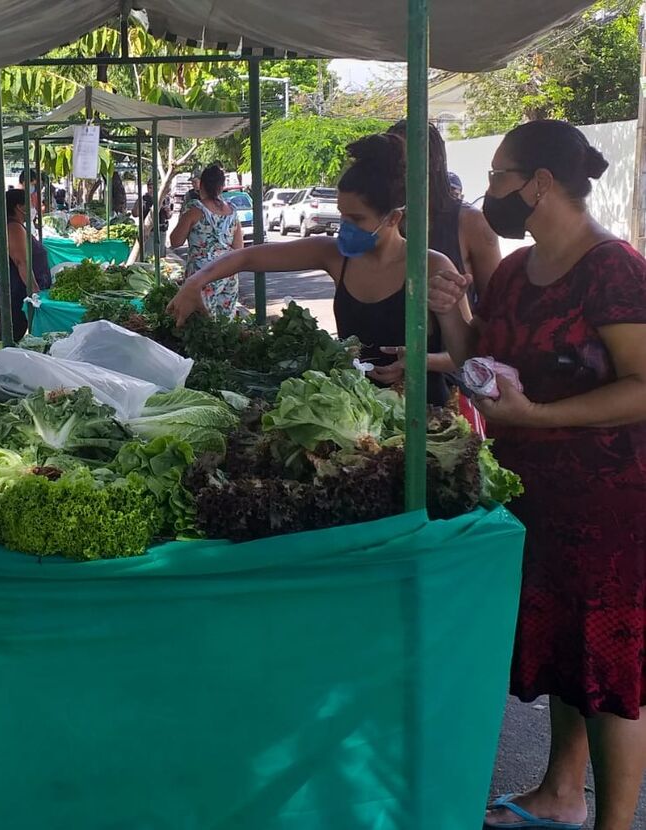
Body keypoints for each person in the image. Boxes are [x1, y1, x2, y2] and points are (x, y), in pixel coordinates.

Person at [429, 120, 646, 830]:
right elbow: (483, 363)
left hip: (613, 501)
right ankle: (559, 794)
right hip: (535, 491)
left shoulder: (613, 268)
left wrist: (541, 418)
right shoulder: (519, 272)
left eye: (497, 177)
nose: (488, 193)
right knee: (564, 651)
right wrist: (452, 313)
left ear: (539, 186)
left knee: (612, 673)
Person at [167, 134, 461, 405]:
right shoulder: (333, 254)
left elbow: (465, 356)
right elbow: (247, 258)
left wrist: (423, 361)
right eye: (343, 215)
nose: (345, 227)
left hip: (422, 416)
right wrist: (196, 281)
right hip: (354, 410)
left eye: (356, 219)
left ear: (394, 217)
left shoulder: (433, 266)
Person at [388, 121, 501, 297]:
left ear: (435, 163)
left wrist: (455, 307)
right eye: (390, 163)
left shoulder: (470, 222)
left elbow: (495, 305)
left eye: (405, 163)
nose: (397, 173)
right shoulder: (378, 219)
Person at [168, 164, 245, 319]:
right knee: (225, 323)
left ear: (201, 186)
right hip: (228, 271)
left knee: (201, 323)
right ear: (222, 187)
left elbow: (175, 241)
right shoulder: (232, 211)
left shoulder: (194, 209)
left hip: (202, 273)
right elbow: (239, 247)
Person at [0, 188, 51, 343]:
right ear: (19, 207)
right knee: (10, 341)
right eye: (30, 204)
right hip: (16, 296)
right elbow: (21, 262)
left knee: (12, 340)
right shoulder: (13, 228)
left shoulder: (16, 226)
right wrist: (36, 293)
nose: (33, 209)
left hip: (18, 295)